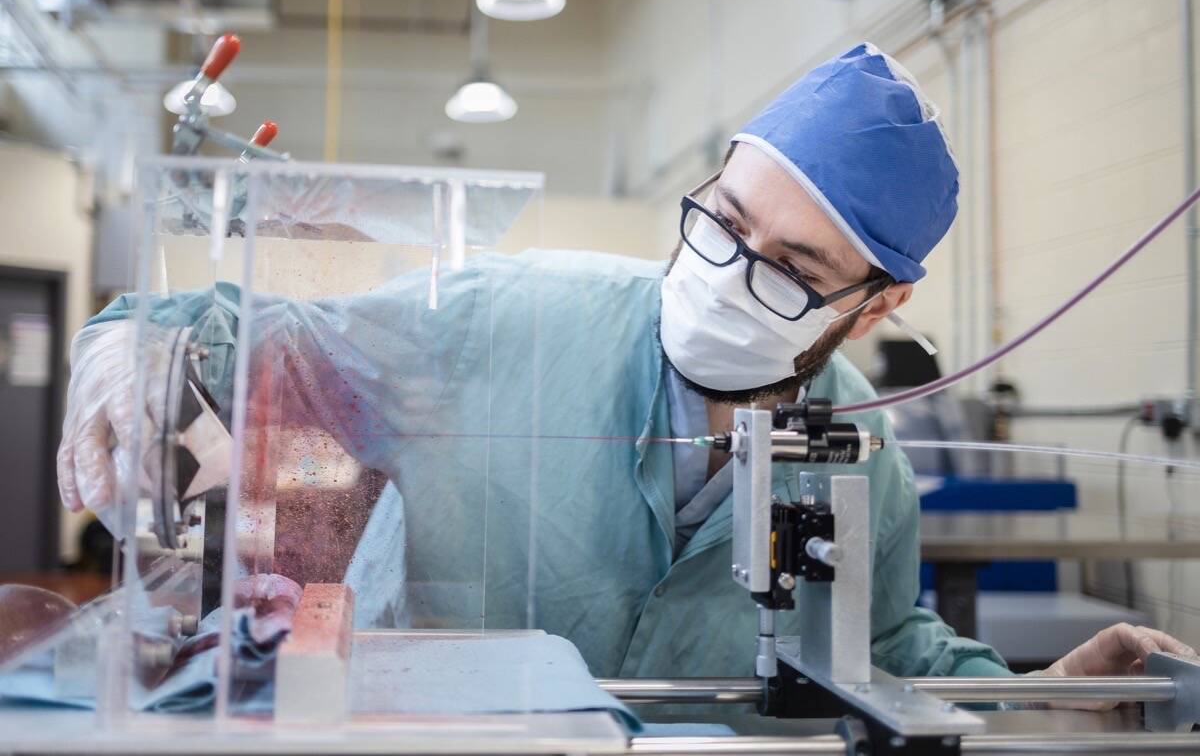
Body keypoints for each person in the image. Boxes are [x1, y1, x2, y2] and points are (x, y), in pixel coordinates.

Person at [56, 43, 1192, 688]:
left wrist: (1031, 695)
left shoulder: (863, 456)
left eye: (792, 266)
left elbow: (883, 647)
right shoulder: (512, 316)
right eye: (726, 219)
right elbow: (264, 335)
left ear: (880, 300)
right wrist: (138, 336)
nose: (730, 270)